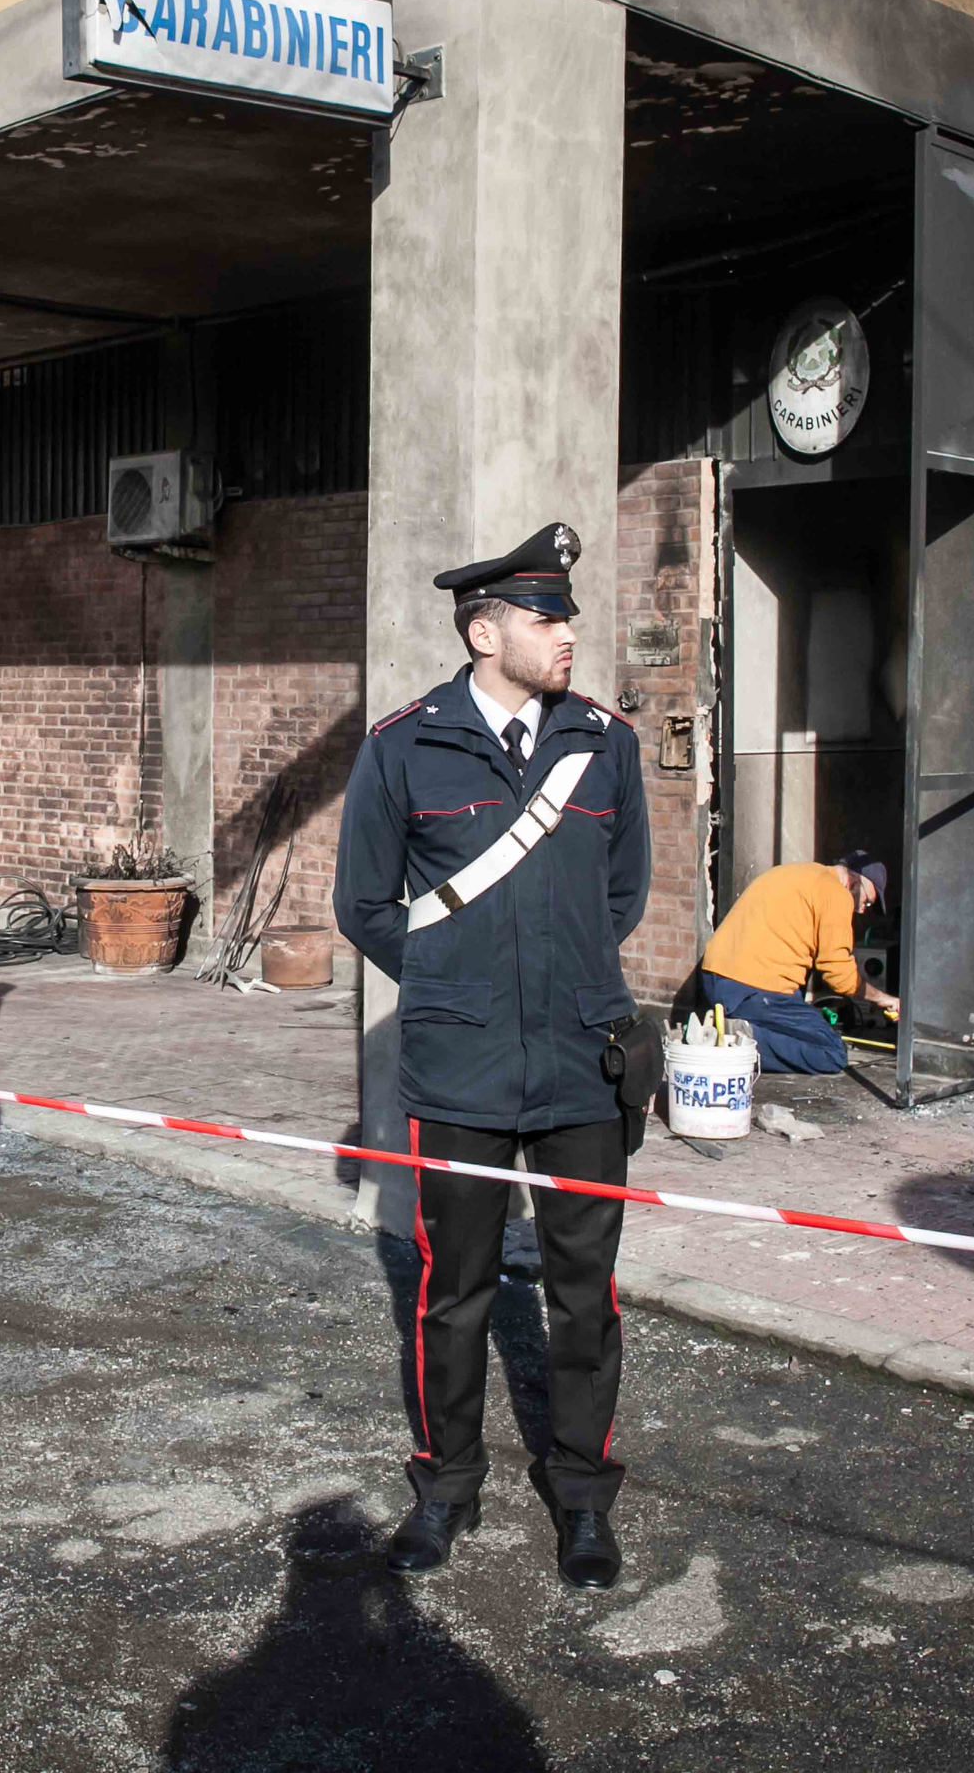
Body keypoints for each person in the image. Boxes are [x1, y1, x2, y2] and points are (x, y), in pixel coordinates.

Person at [334, 521, 650, 1591]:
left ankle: (585, 1498)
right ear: (484, 631)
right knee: (453, 1291)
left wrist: (565, 981)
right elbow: (365, 904)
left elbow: (622, 894)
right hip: (459, 1066)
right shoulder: (403, 746)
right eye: (544, 617)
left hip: (582, 1063)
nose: (567, 634)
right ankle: (447, 1486)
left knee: (586, 1295)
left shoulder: (605, 743)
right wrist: (452, 983)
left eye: (567, 616)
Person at [683, 853, 898, 1073]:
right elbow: (840, 976)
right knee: (832, 1052)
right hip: (754, 989)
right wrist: (883, 999)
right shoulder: (836, 893)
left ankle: (732, 1028)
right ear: (853, 881)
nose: (861, 910)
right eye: (866, 901)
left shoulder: (795, 873)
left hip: (715, 980)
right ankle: (732, 1041)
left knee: (800, 1018)